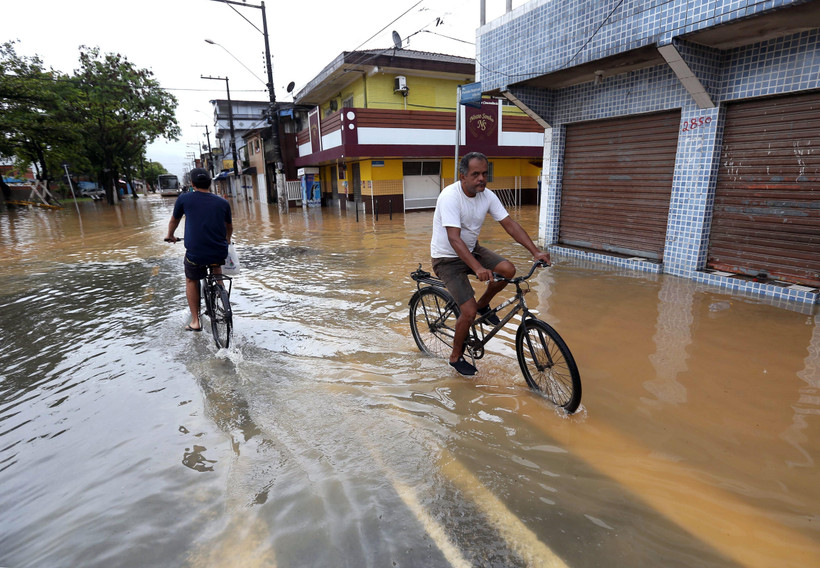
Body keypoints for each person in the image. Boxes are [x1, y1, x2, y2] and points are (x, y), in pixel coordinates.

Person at [431, 152, 550, 376]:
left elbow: (509, 224)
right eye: (475, 174)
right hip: (446, 258)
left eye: (485, 173)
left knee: (507, 269)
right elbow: (454, 239)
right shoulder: (450, 197)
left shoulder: (487, 196)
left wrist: (535, 251)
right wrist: (477, 268)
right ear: (462, 176)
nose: (481, 179)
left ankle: (483, 304)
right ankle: (455, 357)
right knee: (467, 312)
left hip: (472, 249)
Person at [165, 168, 233, 332]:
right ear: (210, 183)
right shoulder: (223, 202)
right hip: (219, 251)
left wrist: (170, 236)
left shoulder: (184, 199)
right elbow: (229, 227)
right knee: (216, 267)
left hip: (196, 254)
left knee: (192, 280)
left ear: (192, 183)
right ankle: (220, 294)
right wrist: (227, 240)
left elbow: (174, 220)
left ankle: (196, 321)